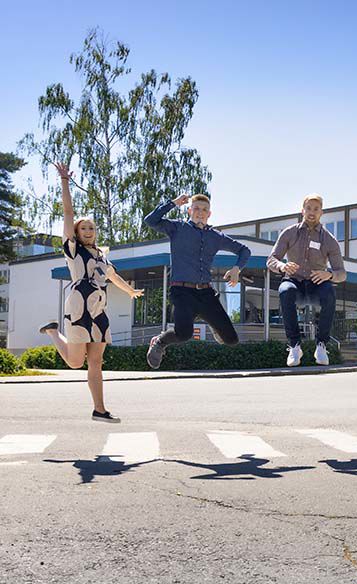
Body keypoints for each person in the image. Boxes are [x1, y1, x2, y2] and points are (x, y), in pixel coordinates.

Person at [38, 162, 144, 423]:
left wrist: (130, 291)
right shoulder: (74, 250)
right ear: (76, 232)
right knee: (75, 363)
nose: (88, 231)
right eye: (83, 228)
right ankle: (53, 331)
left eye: (92, 228)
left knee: (96, 362)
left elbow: (113, 276)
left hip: (99, 309)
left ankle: (99, 409)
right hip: (78, 306)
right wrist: (65, 182)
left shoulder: (102, 257)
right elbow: (67, 211)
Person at [144, 193, 251, 369]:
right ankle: (160, 342)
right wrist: (173, 203)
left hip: (206, 293)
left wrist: (236, 269)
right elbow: (151, 220)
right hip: (182, 292)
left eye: (204, 210)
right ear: (189, 211)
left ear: (209, 214)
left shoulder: (216, 237)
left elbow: (244, 251)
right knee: (184, 334)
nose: (200, 213)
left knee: (231, 340)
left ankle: (211, 322)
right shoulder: (177, 228)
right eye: (196, 209)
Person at [267, 194, 346, 367]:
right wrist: (282, 266)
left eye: (316, 209)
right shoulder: (289, 233)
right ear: (302, 210)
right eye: (308, 208)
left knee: (330, 293)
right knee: (285, 291)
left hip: (316, 283)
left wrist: (330, 274)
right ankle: (295, 345)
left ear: (321, 213)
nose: (312, 212)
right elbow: (271, 260)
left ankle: (322, 344)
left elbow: (342, 273)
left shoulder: (329, 239)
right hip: (294, 280)